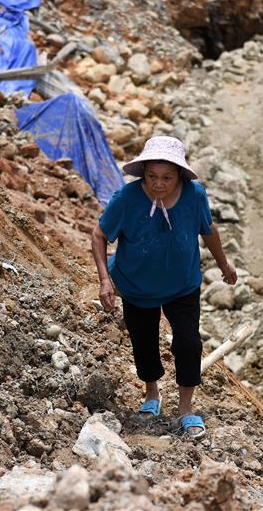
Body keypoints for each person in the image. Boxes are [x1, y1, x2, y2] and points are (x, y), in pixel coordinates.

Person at [91, 136, 237, 439]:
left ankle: (185, 409)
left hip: (182, 284)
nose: (158, 184)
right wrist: (105, 280)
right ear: (143, 174)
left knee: (189, 343)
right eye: (152, 176)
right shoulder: (127, 198)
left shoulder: (194, 196)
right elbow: (99, 235)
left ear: (179, 175)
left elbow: (208, 229)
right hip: (136, 285)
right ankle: (152, 393)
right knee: (144, 342)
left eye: (167, 178)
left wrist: (224, 264)